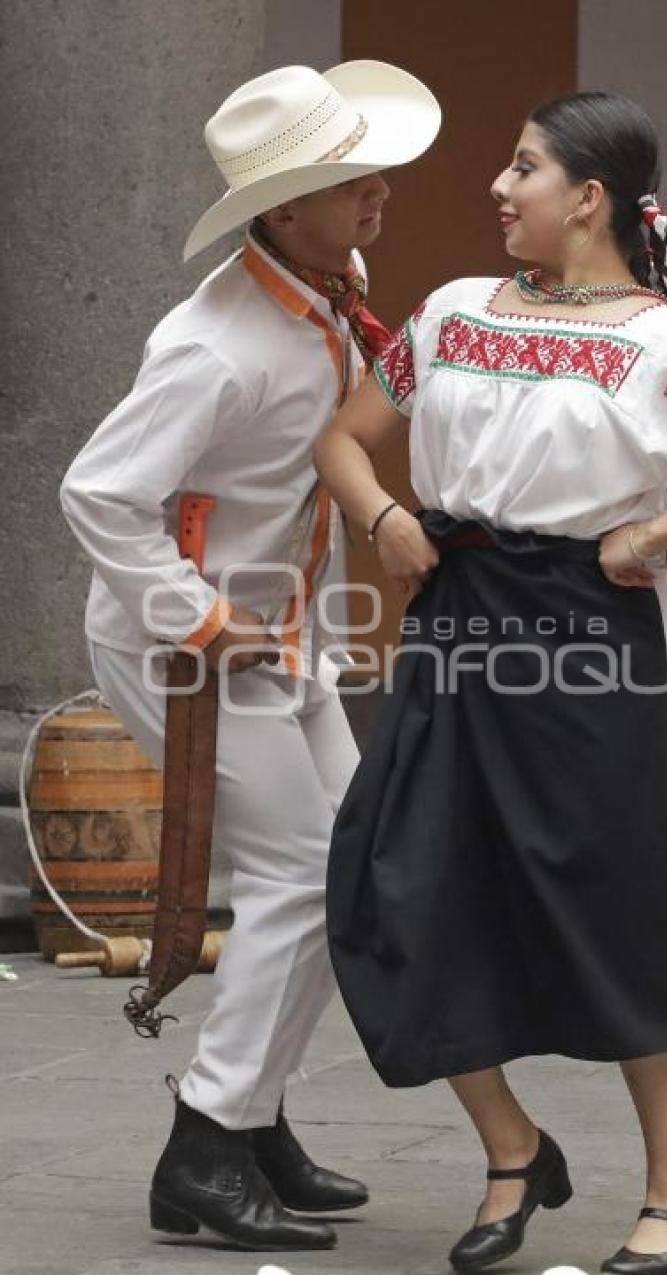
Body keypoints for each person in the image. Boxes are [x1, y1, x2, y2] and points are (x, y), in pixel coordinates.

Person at [313, 91, 667, 1274]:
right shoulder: (447, 312)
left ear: (588, 200)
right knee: (394, 887)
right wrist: (382, 515)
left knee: (613, 898)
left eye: (523, 168)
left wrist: (649, 540)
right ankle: (511, 1150)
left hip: (585, 633)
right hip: (453, 620)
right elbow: (343, 439)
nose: (499, 186)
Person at [60, 60, 440, 1252]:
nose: (375, 190)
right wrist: (206, 624)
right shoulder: (215, 346)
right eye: (347, 179)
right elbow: (99, 494)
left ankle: (250, 1115)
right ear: (283, 211)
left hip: (278, 625)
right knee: (297, 878)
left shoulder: (329, 277)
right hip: (190, 643)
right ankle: (207, 1146)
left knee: (345, 870)